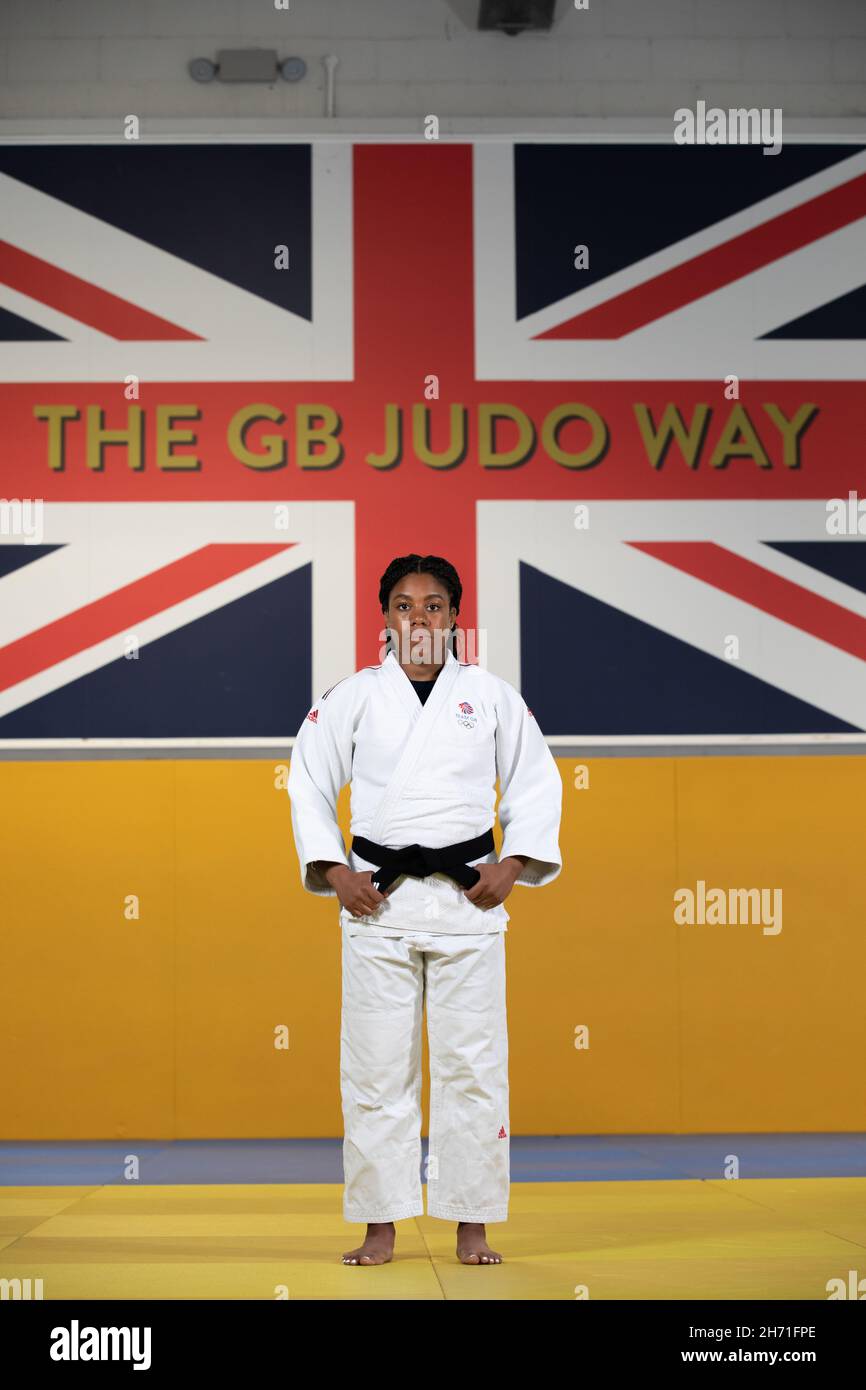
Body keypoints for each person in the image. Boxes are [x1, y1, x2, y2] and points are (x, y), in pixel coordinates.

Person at [287, 554, 562, 1266]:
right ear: (386, 618)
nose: (419, 618)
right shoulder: (351, 697)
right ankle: (380, 1224)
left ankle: (472, 1222)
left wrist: (514, 862)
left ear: (454, 618)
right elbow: (309, 784)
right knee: (376, 1072)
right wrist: (332, 868)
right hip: (378, 903)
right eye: (404, 605)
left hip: (469, 902)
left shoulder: (492, 696)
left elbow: (535, 784)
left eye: (434, 605)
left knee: (475, 1069)